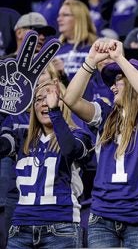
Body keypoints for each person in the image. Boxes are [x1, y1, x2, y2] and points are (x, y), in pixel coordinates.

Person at [63, 39, 138, 248]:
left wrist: (119, 58)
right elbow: (71, 99)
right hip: (102, 217)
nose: (112, 86)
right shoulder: (105, 115)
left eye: (118, 80)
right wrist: (91, 61)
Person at [0, 74, 93, 248]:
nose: (45, 103)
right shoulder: (22, 137)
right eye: (39, 99)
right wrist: (5, 109)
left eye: (51, 97)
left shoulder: (79, 134)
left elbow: (69, 149)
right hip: (20, 228)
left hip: (61, 227)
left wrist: (55, 113)